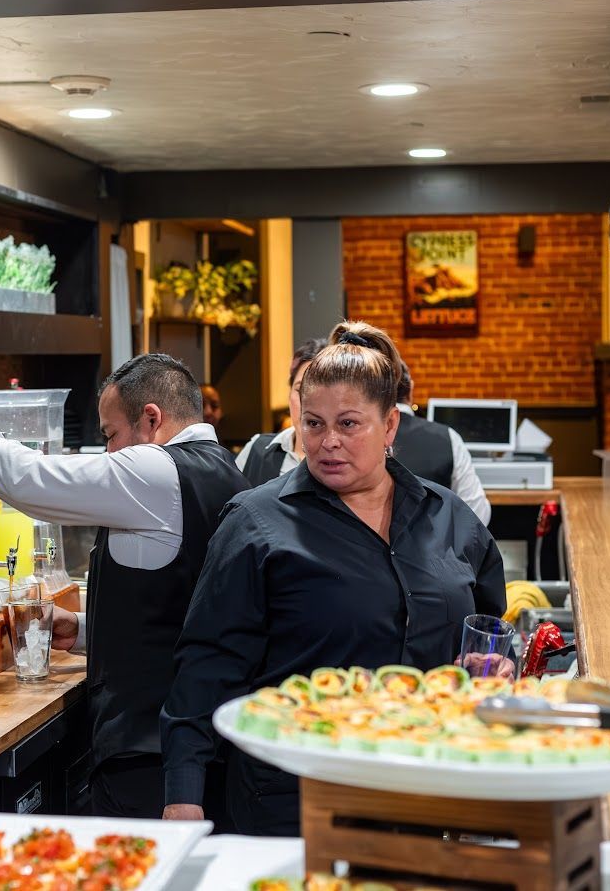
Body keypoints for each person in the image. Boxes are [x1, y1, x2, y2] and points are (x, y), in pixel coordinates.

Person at [161, 321, 507, 836]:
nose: (327, 443)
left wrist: (487, 661)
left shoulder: (449, 517)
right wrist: (183, 797)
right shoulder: (255, 523)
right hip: (298, 800)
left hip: (429, 792)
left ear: (390, 426)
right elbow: (207, 662)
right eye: (314, 423)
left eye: (349, 424)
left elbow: (486, 625)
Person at [0, 354, 248, 820]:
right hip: (200, 744)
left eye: (110, 436)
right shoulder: (224, 468)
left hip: (152, 755)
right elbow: (178, 609)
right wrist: (86, 630)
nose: (109, 453)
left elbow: (37, 481)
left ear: (152, 419)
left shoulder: (156, 470)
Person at [394, 361, 491, 525]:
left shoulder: (357, 437)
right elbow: (477, 514)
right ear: (410, 389)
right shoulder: (449, 437)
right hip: (435, 548)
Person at [236, 339, 326, 486]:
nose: (308, 404)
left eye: (320, 393)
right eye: (300, 390)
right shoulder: (257, 448)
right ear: (289, 394)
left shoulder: (343, 462)